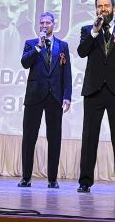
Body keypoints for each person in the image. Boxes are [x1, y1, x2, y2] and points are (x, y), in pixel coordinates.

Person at [76, 0, 115, 195]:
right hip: (93, 90)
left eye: (106, 6)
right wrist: (94, 32)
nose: (103, 9)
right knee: (89, 137)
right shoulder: (88, 30)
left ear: (113, 8)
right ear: (95, 9)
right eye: (99, 6)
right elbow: (82, 52)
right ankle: (85, 181)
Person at [18, 12, 72, 189]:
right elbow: (25, 63)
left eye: (48, 22)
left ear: (54, 25)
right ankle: (26, 178)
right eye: (42, 22)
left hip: (55, 96)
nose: (44, 25)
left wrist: (67, 95)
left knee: (54, 138)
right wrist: (38, 47)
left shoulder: (62, 46)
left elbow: (67, 72)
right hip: (34, 96)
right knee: (29, 137)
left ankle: (52, 179)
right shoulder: (31, 43)